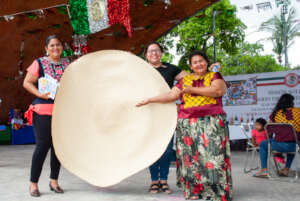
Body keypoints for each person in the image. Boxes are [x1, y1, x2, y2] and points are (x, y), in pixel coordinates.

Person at [137, 50, 232, 201]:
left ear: (206, 62)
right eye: (195, 62)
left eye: (201, 61)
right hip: (187, 124)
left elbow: (218, 90)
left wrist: (191, 90)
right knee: (190, 159)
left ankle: (215, 192)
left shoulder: (214, 76)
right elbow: (171, 95)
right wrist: (149, 100)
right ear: (190, 66)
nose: (199, 64)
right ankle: (195, 191)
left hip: (211, 122)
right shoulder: (184, 81)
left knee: (213, 157)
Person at [23, 35, 70, 197]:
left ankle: (54, 181)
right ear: (46, 48)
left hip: (62, 111)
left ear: (62, 47)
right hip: (43, 109)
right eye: (52, 46)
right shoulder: (39, 63)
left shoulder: (67, 63)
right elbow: (27, 82)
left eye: (58, 45)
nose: (55, 48)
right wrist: (39, 94)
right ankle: (33, 184)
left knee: (58, 148)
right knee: (42, 146)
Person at [144, 42, 188, 194]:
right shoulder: (140, 69)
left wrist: (178, 98)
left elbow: (190, 79)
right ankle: (154, 181)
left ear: (161, 53)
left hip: (167, 113)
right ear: (146, 55)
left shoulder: (170, 69)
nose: (154, 53)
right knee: (151, 147)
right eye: (150, 51)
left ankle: (164, 180)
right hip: (147, 113)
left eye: (156, 50)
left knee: (167, 149)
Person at [254, 94, 300, 178]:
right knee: (294, 140)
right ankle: (286, 169)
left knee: (264, 144)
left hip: (279, 146)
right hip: (296, 146)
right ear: (291, 103)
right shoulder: (298, 111)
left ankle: (264, 170)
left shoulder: (276, 114)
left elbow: (267, 128)